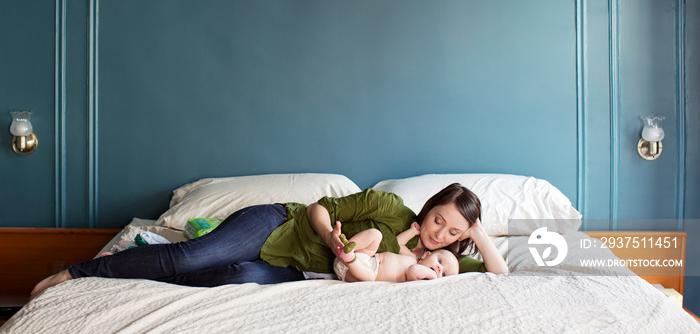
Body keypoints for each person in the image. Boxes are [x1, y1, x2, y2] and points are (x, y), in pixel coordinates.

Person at [31, 183, 508, 297]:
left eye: (452, 231)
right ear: (428, 208)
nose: (438, 232)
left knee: (232, 276)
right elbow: (323, 208)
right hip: (280, 225)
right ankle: (80, 271)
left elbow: (499, 274)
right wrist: (329, 234)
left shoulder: (442, 263)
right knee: (199, 252)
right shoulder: (389, 209)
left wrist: (478, 230)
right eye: (438, 218)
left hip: (297, 270)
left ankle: (150, 263)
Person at [333, 223, 460, 282]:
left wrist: (434, 278)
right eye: (439, 261)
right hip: (366, 257)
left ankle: (349, 257)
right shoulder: (412, 257)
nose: (439, 268)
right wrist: (412, 232)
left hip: (357, 272)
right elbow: (398, 243)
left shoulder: (421, 279)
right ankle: (347, 246)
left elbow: (413, 271)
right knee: (376, 234)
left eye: (443, 273)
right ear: (427, 254)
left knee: (370, 277)